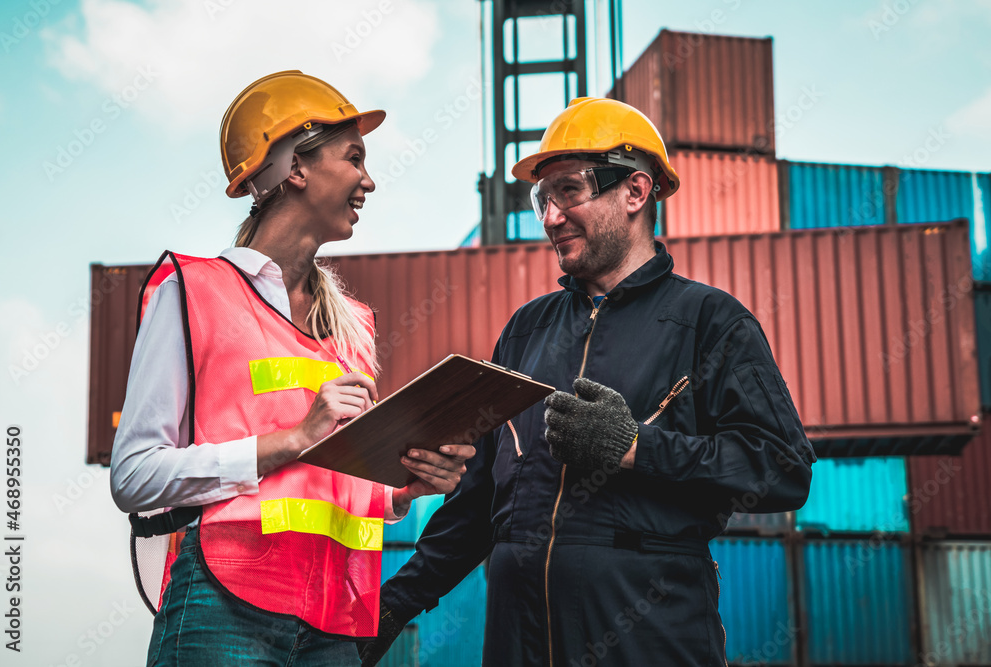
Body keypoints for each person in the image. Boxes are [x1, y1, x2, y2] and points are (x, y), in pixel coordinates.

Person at [359, 97, 816, 666]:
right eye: (542, 198)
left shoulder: (710, 322)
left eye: (569, 192)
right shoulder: (527, 330)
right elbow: (479, 501)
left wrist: (636, 448)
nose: (550, 216)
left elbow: (783, 469)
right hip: (518, 640)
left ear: (635, 191)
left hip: (648, 637)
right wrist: (393, 606)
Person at [110, 70, 475, 666]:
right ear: (296, 170)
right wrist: (295, 438)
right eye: (354, 158)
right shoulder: (193, 291)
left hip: (338, 618)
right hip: (225, 606)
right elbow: (133, 476)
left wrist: (407, 487)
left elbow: (337, 487)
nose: (369, 180)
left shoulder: (353, 325)